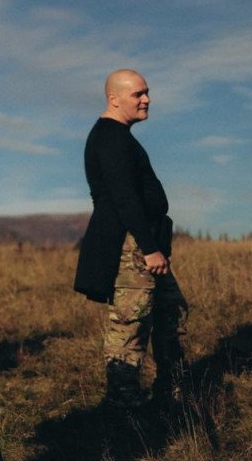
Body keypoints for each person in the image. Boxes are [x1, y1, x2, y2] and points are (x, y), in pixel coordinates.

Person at [75, 69, 188, 412]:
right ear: (114, 98)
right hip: (132, 246)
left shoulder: (119, 135)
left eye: (147, 92)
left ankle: (171, 390)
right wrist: (149, 247)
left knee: (172, 310)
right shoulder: (110, 136)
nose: (146, 99)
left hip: (142, 242)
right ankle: (123, 405)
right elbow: (125, 198)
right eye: (138, 94)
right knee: (130, 323)